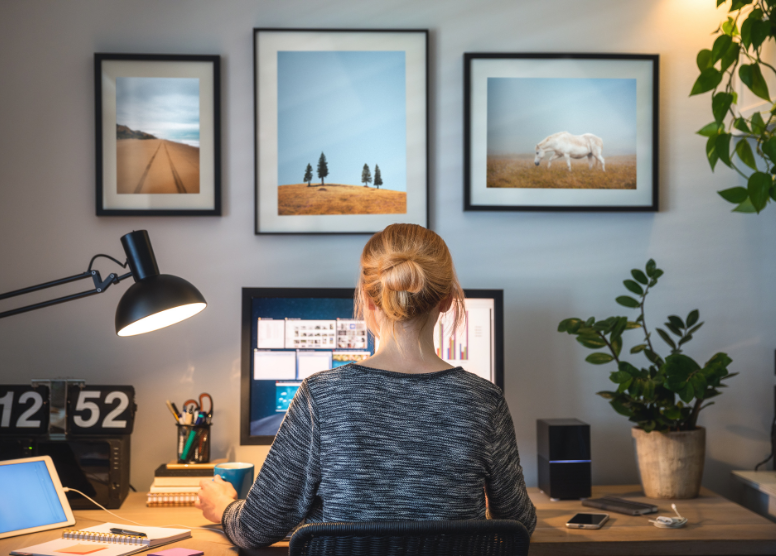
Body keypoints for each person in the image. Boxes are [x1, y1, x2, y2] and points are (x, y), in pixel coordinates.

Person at [196, 223, 537, 548]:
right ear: (447, 299)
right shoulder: (484, 400)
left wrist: (225, 506)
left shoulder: (321, 395)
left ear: (369, 299)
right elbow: (518, 523)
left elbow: (255, 528)